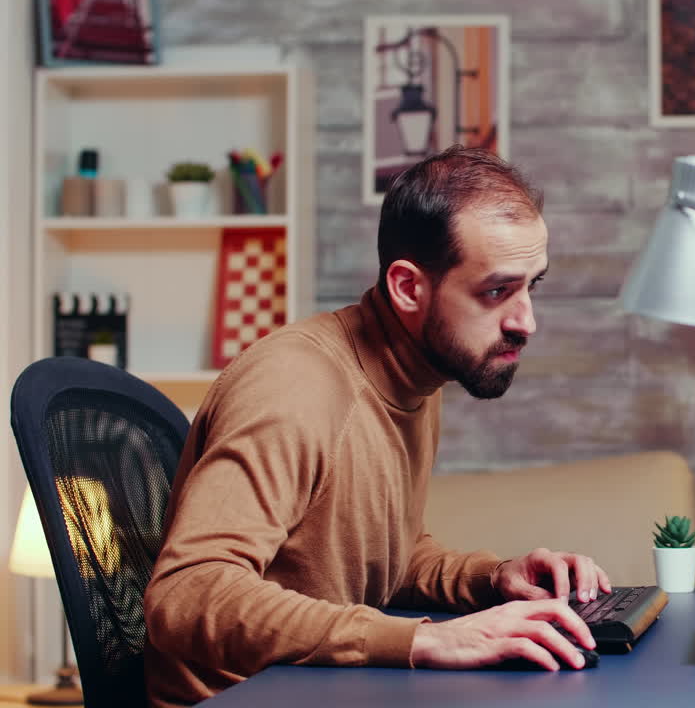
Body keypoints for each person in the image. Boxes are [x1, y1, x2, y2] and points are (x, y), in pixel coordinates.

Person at [144, 146, 611, 707]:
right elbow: (187, 593)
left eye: (531, 286)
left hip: (326, 691)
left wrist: (494, 579)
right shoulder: (295, 389)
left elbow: (379, 558)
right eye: (496, 291)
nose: (526, 322)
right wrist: (423, 639)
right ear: (409, 288)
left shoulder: (417, 373)